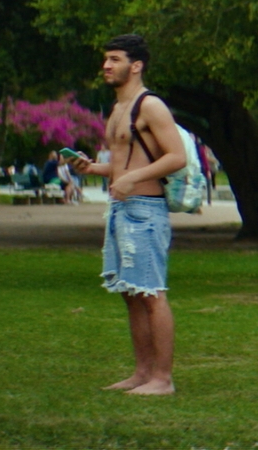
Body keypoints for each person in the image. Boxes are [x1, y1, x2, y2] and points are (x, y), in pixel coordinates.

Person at [68, 34, 187, 395]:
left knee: (151, 293)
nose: (106, 66)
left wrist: (132, 178)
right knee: (131, 293)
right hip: (120, 209)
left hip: (145, 211)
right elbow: (122, 165)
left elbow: (176, 156)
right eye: (106, 59)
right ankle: (142, 373)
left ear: (136, 66)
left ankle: (162, 379)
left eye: (115, 59)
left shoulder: (150, 105)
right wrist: (93, 169)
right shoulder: (119, 108)